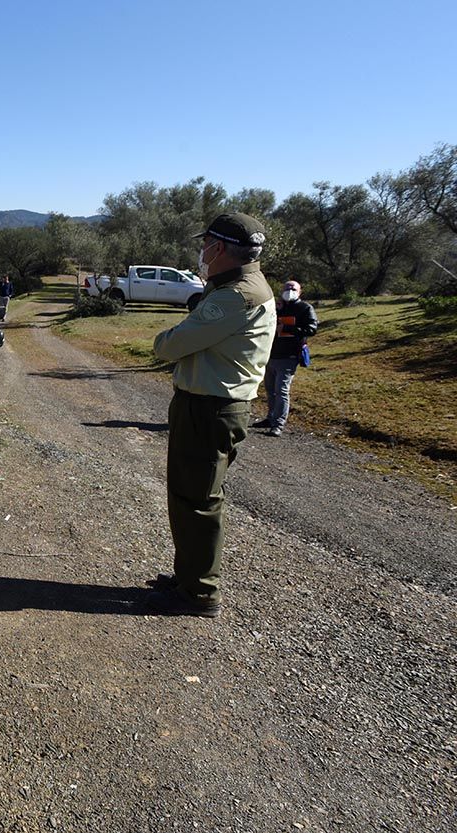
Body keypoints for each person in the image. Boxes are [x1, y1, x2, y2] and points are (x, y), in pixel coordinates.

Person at [147, 212, 276, 618]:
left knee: (198, 500)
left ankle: (200, 592)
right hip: (212, 406)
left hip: (210, 408)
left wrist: (168, 338)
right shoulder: (238, 287)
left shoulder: (234, 296)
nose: (201, 252)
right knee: (189, 496)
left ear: (218, 248)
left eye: (205, 245)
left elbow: (170, 345)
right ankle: (189, 577)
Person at [254, 279, 318, 437]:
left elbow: (312, 329)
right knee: (270, 390)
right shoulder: (278, 307)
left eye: (293, 288)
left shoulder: (305, 308)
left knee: (281, 390)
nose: (290, 290)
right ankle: (270, 418)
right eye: (287, 288)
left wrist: (289, 328)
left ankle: (278, 424)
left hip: (289, 356)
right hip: (271, 354)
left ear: (300, 292)